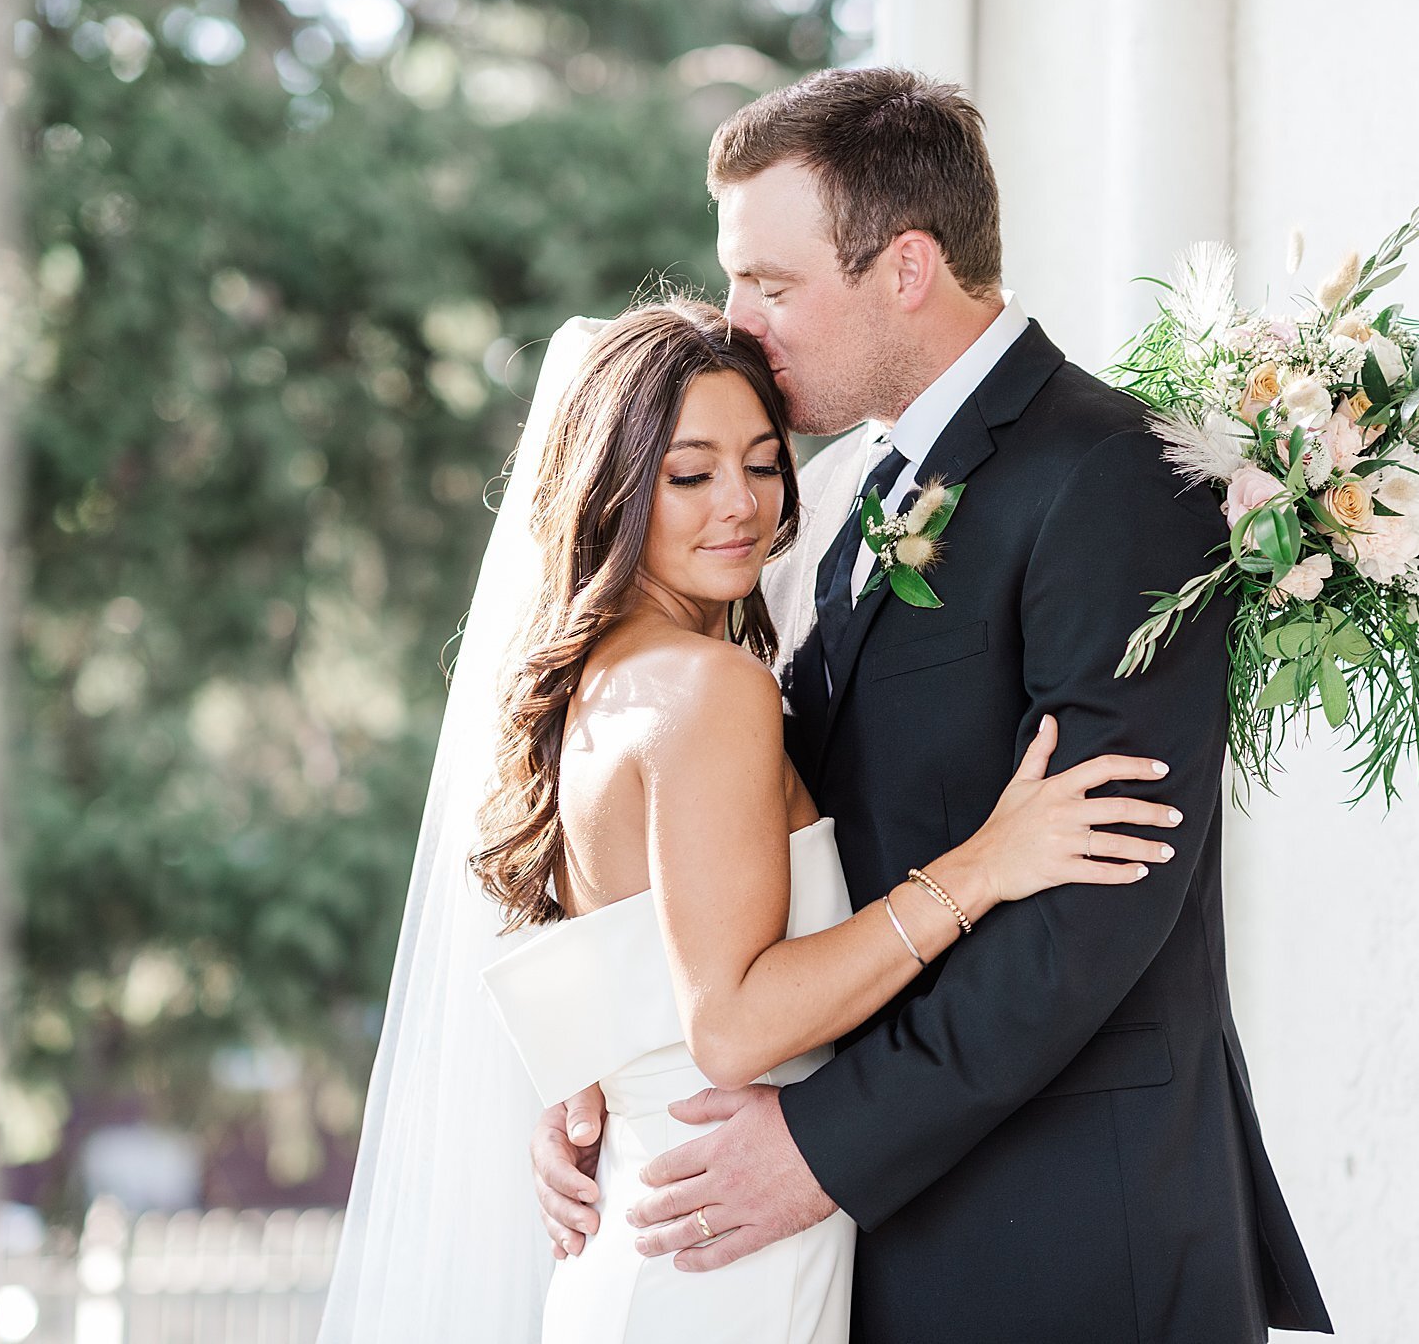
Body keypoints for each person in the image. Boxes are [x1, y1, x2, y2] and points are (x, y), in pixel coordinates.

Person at [528, 68, 1334, 1343]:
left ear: (904, 268)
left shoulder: (1110, 473)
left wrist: (819, 1144)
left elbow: (1096, 903)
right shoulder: (836, 490)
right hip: (861, 1233)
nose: (738, 320)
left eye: (771, 283)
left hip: (1063, 1236)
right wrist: (610, 1070)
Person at [475, 298, 1179, 1344]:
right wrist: (981, 867)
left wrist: (587, 1095)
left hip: (664, 1224)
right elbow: (732, 1027)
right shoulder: (708, 688)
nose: (740, 506)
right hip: (718, 1256)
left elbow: (621, 965)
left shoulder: (602, 686)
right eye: (689, 473)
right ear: (611, 486)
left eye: (764, 463)